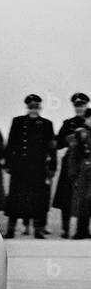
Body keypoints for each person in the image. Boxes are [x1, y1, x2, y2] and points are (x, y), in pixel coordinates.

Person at [4, 94, 56, 239]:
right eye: (31, 107)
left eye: (36, 107)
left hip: (38, 168)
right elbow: (11, 144)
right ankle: (10, 229)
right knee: (15, 199)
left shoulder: (47, 124)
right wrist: (8, 163)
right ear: (27, 107)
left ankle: (38, 230)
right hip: (20, 167)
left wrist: (52, 167)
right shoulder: (18, 122)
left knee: (38, 199)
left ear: (40, 108)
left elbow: (51, 148)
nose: (34, 109)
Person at [51, 92, 89, 238]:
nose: (80, 108)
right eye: (77, 105)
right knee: (66, 197)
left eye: (82, 105)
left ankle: (84, 229)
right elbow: (57, 142)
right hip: (70, 164)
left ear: (86, 106)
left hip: (87, 165)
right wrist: (69, 140)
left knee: (86, 198)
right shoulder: (68, 123)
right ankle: (66, 229)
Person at [67, 108, 91, 239]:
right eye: (90, 118)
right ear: (86, 119)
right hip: (84, 171)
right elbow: (73, 155)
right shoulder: (80, 133)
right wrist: (73, 173)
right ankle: (81, 230)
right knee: (83, 201)